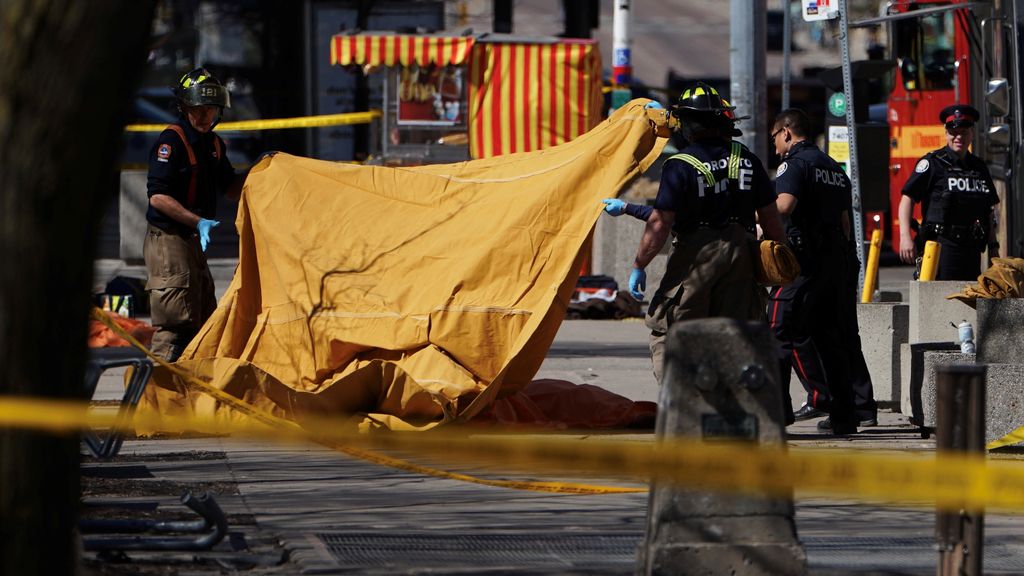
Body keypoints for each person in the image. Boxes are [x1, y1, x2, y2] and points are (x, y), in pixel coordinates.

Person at [626, 84, 786, 386]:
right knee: (735, 337)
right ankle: (730, 403)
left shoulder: (679, 165)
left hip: (695, 261)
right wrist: (780, 259)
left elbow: (660, 223)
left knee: (672, 334)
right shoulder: (748, 160)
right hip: (741, 262)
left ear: (691, 124)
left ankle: (684, 400)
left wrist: (639, 264)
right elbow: (770, 218)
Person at [769, 108, 861, 435]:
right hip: (834, 262)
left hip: (802, 263)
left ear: (787, 132)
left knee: (777, 330)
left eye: (775, 138)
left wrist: (756, 214)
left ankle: (777, 415)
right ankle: (844, 417)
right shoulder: (833, 168)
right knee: (830, 338)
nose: (775, 147)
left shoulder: (795, 164)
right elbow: (845, 224)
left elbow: (783, 206)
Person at [144, 67, 245, 361]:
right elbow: (158, 197)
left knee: (203, 319)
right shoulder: (171, 142)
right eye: (198, 110)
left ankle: (191, 387)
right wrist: (197, 222)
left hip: (192, 240)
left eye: (210, 109)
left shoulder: (213, 144)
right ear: (184, 108)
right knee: (175, 324)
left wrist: (262, 170)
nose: (205, 116)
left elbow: (230, 187)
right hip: (168, 239)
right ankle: (153, 386)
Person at [898, 104, 1000, 280]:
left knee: (970, 296)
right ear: (946, 134)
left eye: (964, 132)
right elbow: (907, 198)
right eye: (953, 133)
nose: (958, 137)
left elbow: (988, 211)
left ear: (971, 134)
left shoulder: (979, 167)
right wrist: (904, 236)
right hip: (940, 248)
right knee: (940, 295)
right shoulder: (932, 163)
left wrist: (993, 246)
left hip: (972, 250)